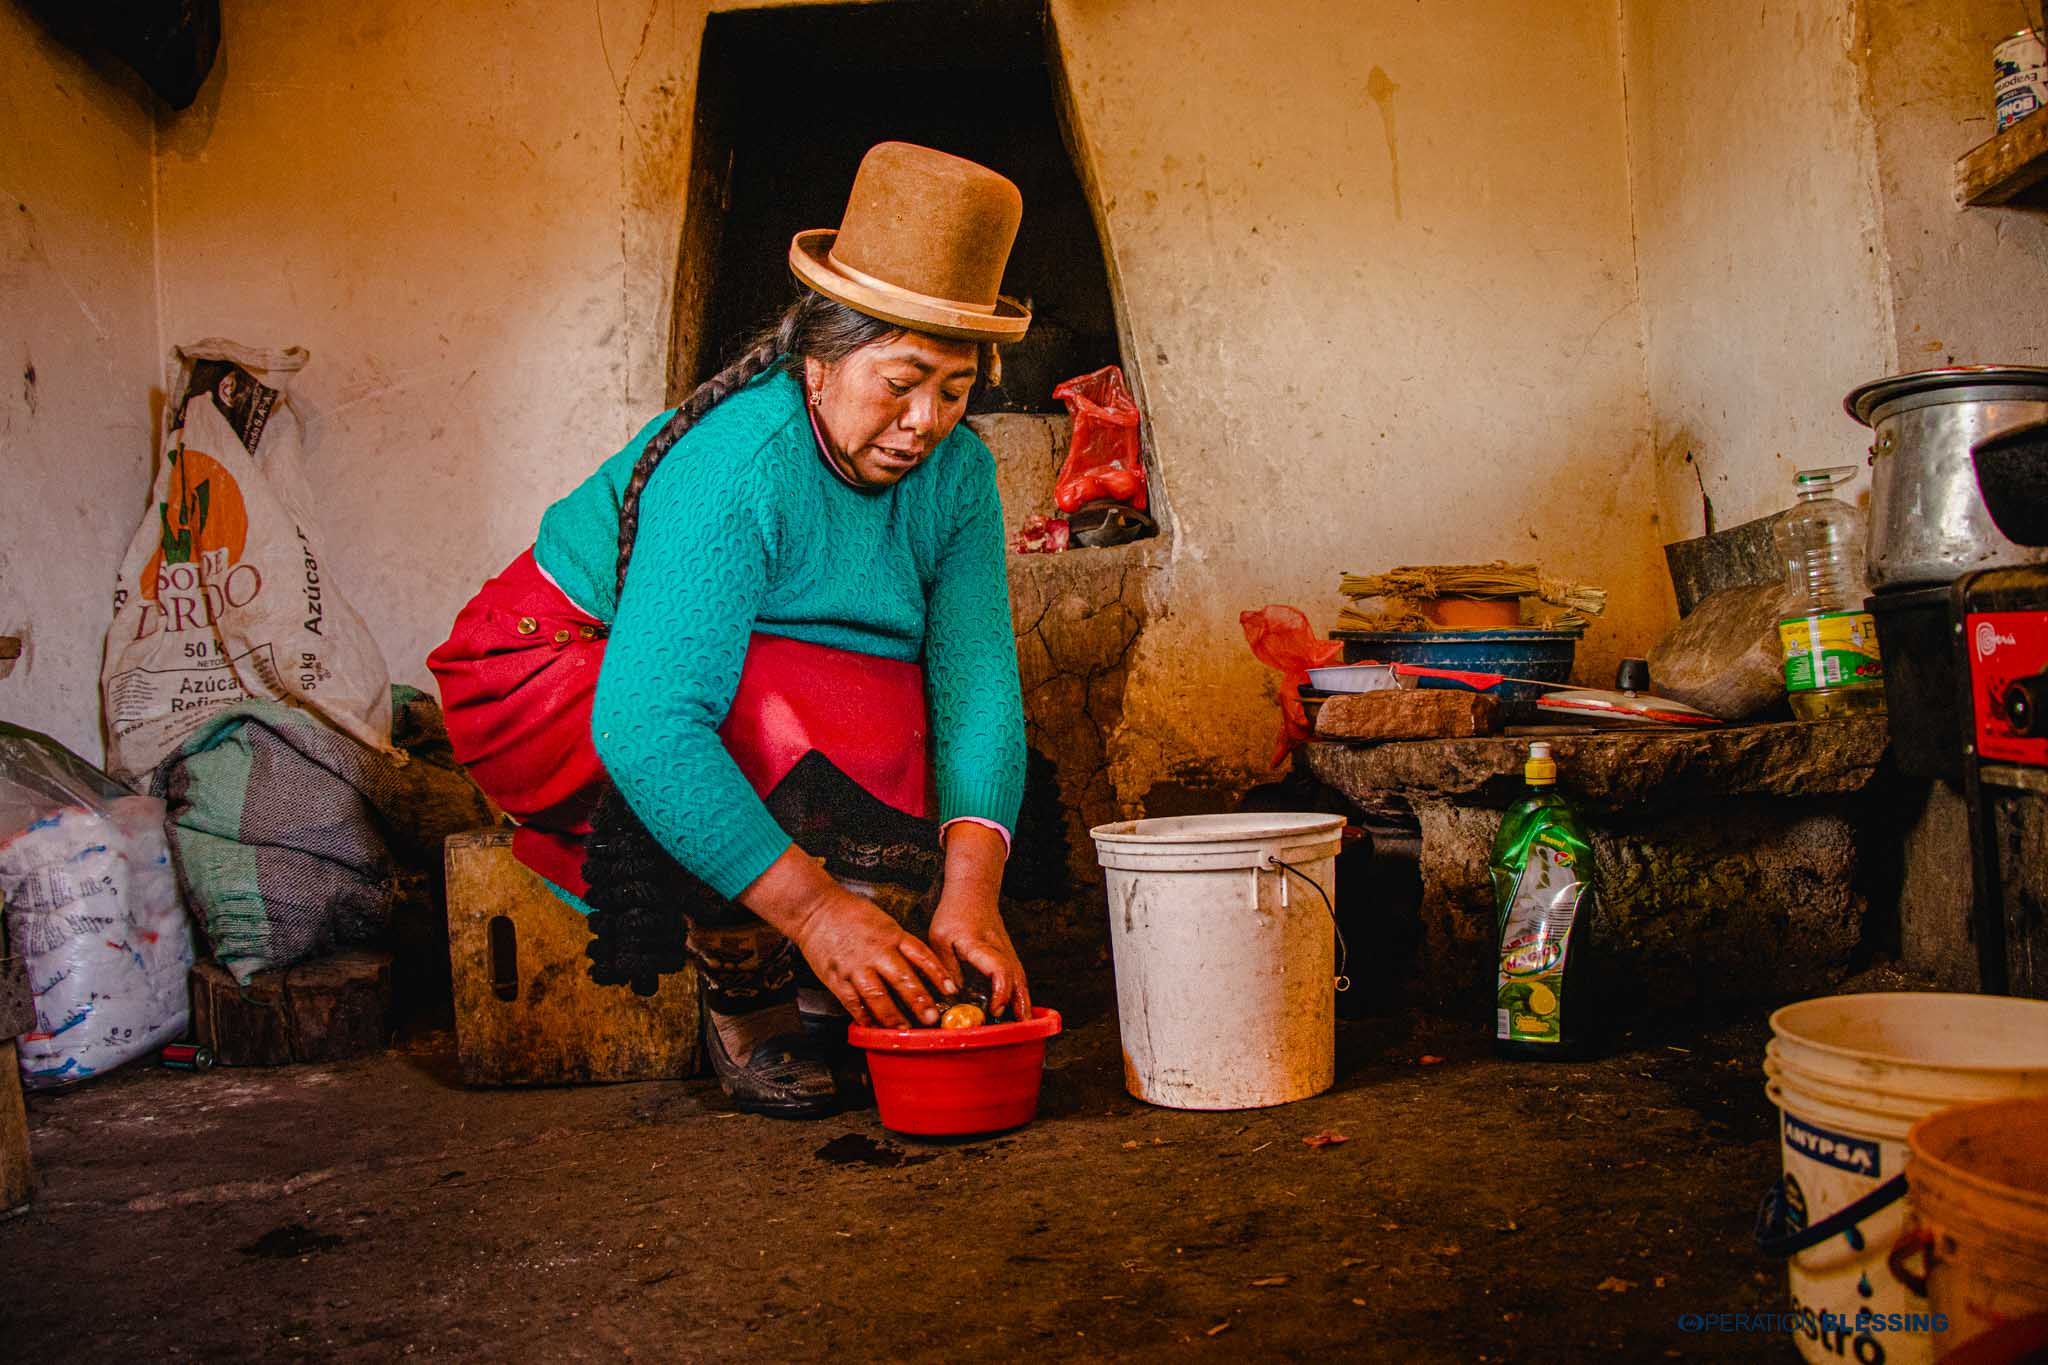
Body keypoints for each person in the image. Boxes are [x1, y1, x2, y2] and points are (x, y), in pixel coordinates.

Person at [427, 142, 1034, 1117]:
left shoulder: (958, 477)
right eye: (901, 380)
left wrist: (972, 893)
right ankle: (747, 983)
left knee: (895, 707)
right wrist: (818, 913)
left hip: (739, 676)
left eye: (954, 390)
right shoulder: (740, 460)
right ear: (821, 358)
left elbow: (979, 691)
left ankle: (839, 962)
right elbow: (649, 721)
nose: (925, 421)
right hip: (544, 678)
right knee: (776, 704)